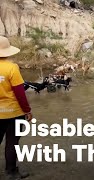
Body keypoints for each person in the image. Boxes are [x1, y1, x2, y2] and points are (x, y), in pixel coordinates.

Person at [0, 36, 32, 180]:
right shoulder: (12, 68)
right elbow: (20, 92)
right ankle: (11, 172)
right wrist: (27, 110)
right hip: (13, 113)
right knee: (12, 142)